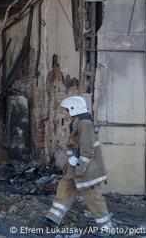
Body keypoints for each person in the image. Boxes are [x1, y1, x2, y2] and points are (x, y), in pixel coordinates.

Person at [38, 96, 113, 232]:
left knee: (93, 198)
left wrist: (81, 166)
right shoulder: (77, 122)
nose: (65, 113)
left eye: (66, 110)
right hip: (74, 169)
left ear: (74, 109)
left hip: (86, 170)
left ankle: (107, 229)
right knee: (64, 188)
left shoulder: (85, 123)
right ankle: (53, 218)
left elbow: (87, 147)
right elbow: (74, 144)